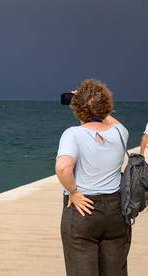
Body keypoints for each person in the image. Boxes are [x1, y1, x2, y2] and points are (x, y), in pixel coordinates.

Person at [55, 79, 131, 276]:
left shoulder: (73, 134)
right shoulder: (120, 133)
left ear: (77, 107)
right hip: (116, 211)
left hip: (83, 210)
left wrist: (73, 192)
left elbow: (63, 168)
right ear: (106, 105)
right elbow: (108, 119)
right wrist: (93, 102)